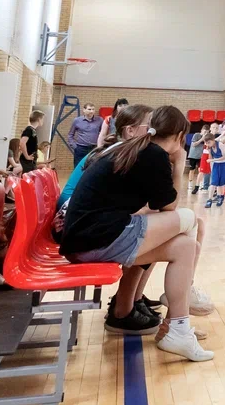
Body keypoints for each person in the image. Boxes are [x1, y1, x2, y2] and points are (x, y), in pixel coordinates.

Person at [59, 106, 214, 361]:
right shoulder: (153, 154)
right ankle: (184, 294)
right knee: (189, 219)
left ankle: (176, 327)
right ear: (179, 136)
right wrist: (179, 164)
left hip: (86, 239)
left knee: (186, 247)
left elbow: (156, 207)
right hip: (94, 238)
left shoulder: (139, 149)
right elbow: (169, 206)